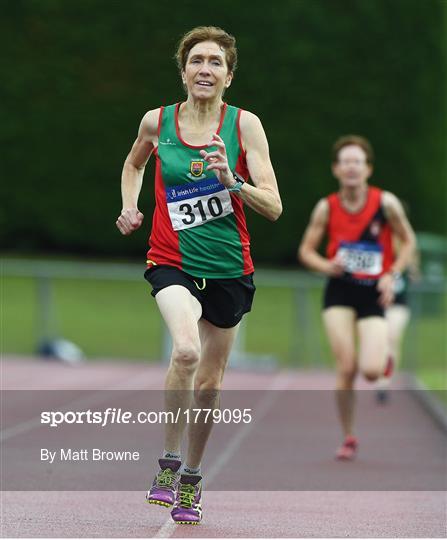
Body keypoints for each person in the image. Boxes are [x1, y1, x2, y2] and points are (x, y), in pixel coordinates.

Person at [116, 26, 282, 524]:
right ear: (183, 70)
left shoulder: (244, 126)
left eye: (215, 62)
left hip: (230, 269)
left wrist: (233, 181)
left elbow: (274, 206)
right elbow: (132, 164)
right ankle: (167, 464)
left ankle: (191, 475)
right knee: (185, 351)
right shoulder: (157, 120)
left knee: (209, 383)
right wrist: (129, 206)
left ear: (228, 76)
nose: (204, 69)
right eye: (196, 61)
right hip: (171, 260)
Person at [298, 135, 416, 460]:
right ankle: (348, 435)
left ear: (368, 169)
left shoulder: (385, 204)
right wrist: (327, 265)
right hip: (339, 290)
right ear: (336, 169)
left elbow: (408, 242)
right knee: (346, 366)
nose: (351, 167)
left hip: (373, 292)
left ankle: (382, 360)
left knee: (371, 371)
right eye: (345, 162)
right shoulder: (327, 207)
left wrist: (392, 274)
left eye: (357, 162)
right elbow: (306, 251)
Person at [376, 236, 420, 403]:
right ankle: (379, 373)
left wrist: (412, 270)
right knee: (382, 342)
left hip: (399, 306)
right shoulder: (380, 253)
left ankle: (385, 381)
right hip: (379, 305)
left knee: (392, 339)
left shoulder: (408, 255)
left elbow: (415, 277)